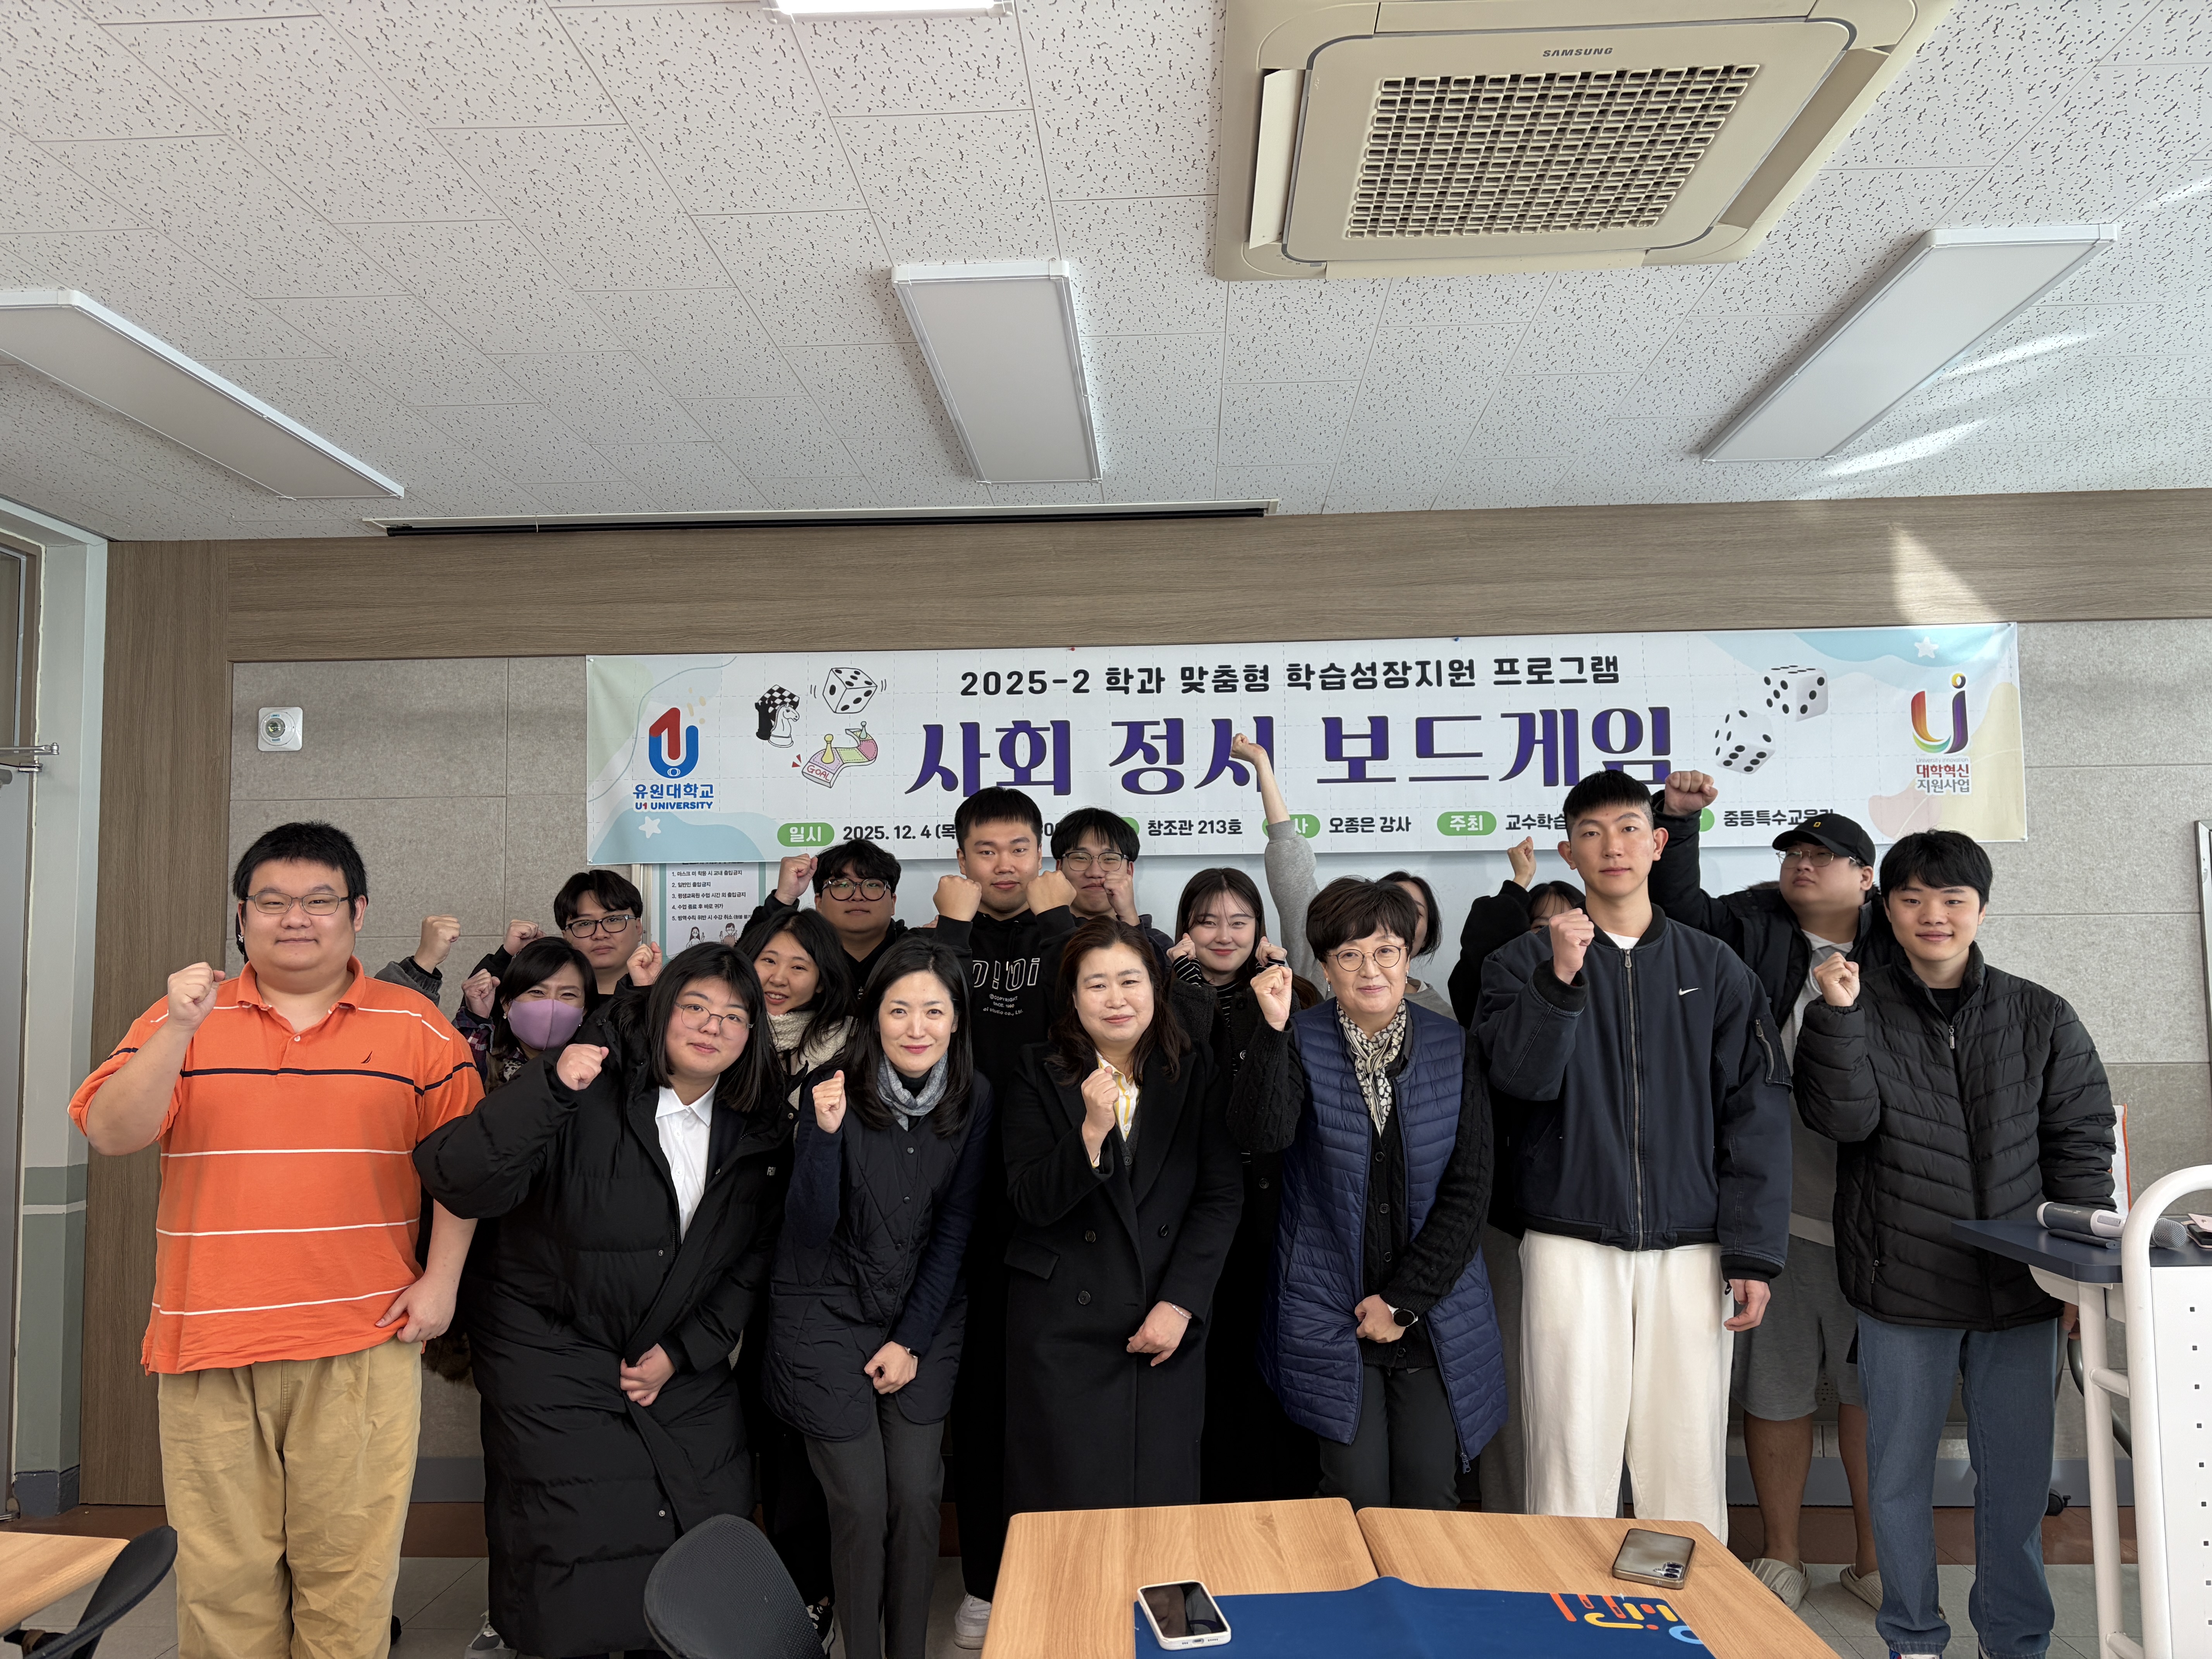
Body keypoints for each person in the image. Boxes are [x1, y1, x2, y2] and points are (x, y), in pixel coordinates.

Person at [69, 821, 483, 1659]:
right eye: (272, 901)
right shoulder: (182, 1017)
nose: (296, 917)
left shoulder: (417, 1026)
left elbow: (467, 1170)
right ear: (241, 915)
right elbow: (111, 1132)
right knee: (221, 1581)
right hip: (209, 1339)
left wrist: (441, 1283)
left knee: (349, 1577)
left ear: (357, 912)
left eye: (319, 900)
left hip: (361, 1341)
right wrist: (177, 1028)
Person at [414, 943, 787, 1659]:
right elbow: (458, 1175)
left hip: (675, 1360)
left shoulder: (759, 1130)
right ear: (660, 1010)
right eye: (695, 1006)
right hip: (549, 1352)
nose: (712, 1026)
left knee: (701, 1529)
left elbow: (751, 1261)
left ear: (752, 1035)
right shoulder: (584, 1085)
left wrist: (682, 1352)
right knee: (570, 1550)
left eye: (734, 1015)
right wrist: (550, 1086)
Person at [1795, 830, 2114, 1659]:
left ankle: (2015, 1640)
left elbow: (2081, 1145)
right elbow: (1843, 1121)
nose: (1932, 915)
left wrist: (2080, 1277)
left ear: (1981, 908)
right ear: (1888, 908)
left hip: (2024, 1288)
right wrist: (1837, 1019)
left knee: (2015, 1483)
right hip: (1903, 1287)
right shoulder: (1852, 1005)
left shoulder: (2040, 1012)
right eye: (1911, 898)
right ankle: (1913, 1638)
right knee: (1898, 1480)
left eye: (1951, 899)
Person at [1476, 768, 1791, 1540]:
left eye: (1627, 829)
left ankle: (1683, 1605)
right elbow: (1517, 1081)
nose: (1611, 846)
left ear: (1657, 844)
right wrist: (1560, 979)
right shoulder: (1518, 961)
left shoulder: (1715, 967)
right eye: (1590, 833)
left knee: (1684, 1452)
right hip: (1568, 1234)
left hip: (1693, 1242)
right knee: (1569, 1445)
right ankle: (1564, 1601)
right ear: (1568, 853)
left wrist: (1753, 1252)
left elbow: (1754, 1112)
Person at [1648, 775, 1896, 1609]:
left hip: (1875, 1215)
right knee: (1775, 1386)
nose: (1802, 864)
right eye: (1793, 852)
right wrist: (1678, 823)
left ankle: (1874, 1559)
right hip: (1772, 1207)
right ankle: (1781, 1552)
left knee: (1873, 1395)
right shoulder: (1751, 921)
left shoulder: (1900, 941)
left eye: (1824, 855)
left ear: (1866, 876)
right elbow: (1676, 909)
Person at [1228, 878, 1503, 1511]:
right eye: (1349, 955)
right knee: (1354, 1491)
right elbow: (1261, 1135)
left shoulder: (1454, 1047)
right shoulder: (1298, 1037)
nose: (1370, 969)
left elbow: (1469, 1191)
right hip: (1328, 1308)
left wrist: (1403, 1301)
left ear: (1409, 956)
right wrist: (1272, 1031)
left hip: (1433, 1308)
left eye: (1385, 951)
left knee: (1429, 1490)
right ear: (1325, 967)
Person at [769, 938, 993, 1659]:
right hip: (824, 1314)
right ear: (873, 1016)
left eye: (934, 1010)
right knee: (862, 1504)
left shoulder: (974, 1096)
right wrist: (823, 1137)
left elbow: (956, 1228)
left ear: (957, 1019)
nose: (916, 1027)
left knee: (917, 1497)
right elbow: (808, 1229)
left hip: (923, 1317)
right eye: (899, 1010)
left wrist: (911, 1340)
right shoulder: (830, 1086)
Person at [1000, 916, 1243, 1516]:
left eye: (1130, 981)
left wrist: (1181, 1304)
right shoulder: (1035, 1069)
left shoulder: (1193, 1067)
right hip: (1063, 1329)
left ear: (1156, 989)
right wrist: (1089, 1133)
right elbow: (1030, 1200)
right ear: (1072, 996)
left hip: (1163, 1319)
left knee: (1160, 1508)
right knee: (1067, 1513)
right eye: (1097, 984)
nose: (1116, 999)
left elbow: (1220, 1196)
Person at [929, 785, 1075, 1647]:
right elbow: (922, 1033)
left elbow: (1089, 1018)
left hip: (1057, 1192)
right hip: (961, 1202)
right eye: (986, 850)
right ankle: (985, 1580)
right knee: (979, 1401)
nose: (1004, 865)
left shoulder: (1071, 934)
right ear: (961, 860)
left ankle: (1061, 1571)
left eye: (1019, 847)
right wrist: (951, 933)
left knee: (1057, 1394)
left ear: (1040, 854)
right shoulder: (937, 941)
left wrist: (1058, 922)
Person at [439, 936, 599, 1659]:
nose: (552, 1009)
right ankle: (511, 1612)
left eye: (569, 997)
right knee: (516, 1469)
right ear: (506, 1004)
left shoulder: (608, 1081)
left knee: (583, 1473)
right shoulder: (475, 1074)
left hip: (589, 1298)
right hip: (504, 1297)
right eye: (536, 994)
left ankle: (586, 1611)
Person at [1164, 868, 1322, 1503]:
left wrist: (1272, 1000)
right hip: (1193, 1221)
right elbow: (1176, 1096)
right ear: (1184, 929)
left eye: (1239, 921)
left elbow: (1282, 1115)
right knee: (1208, 1382)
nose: (1224, 935)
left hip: (1276, 1215)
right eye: (1207, 921)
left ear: (1260, 929)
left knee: (1275, 1380)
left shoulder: (1295, 994)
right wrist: (1185, 990)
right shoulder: (1159, 1000)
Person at [1443, 839, 1585, 1514]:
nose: (1555, 937)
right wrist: (1518, 884)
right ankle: (1507, 1520)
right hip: (1506, 1219)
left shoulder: (1607, 994)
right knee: (1506, 1376)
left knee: (1579, 1389)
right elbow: (1479, 953)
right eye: (1539, 926)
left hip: (1586, 1219)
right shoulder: (1494, 989)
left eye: (1569, 925)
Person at [735, 906, 857, 1646]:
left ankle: (809, 1587)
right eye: (768, 960)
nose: (780, 978)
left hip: (810, 1268)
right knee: (738, 1426)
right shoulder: (721, 1038)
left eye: (799, 965)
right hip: (724, 1262)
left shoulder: (849, 1050)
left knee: (794, 1437)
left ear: (823, 977)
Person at [1235, 733, 1455, 1018]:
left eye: (1413, 913)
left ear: (1423, 939)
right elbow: (1292, 878)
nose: (1370, 970)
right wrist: (1262, 764)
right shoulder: (1320, 969)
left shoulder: (1440, 1018)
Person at [751, 838, 913, 986]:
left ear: (893, 903)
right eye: (842, 885)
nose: (858, 896)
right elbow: (745, 969)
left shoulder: (919, 952)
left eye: (872, 885)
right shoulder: (797, 952)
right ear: (819, 903)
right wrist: (784, 898)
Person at [1049, 807, 1174, 955]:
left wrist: (1130, 919)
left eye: (1109, 859)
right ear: (1059, 868)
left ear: (1129, 871)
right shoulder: (1034, 935)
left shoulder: (1161, 946)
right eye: (1081, 858)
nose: (1095, 873)